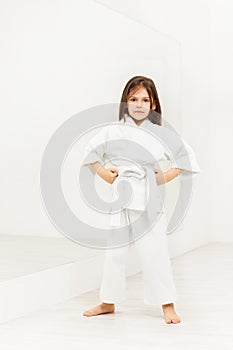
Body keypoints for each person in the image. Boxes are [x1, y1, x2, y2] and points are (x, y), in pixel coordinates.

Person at [81, 76, 201, 324]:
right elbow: (90, 152)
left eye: (144, 99)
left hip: (150, 199)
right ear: (125, 102)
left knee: (155, 251)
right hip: (121, 198)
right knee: (114, 253)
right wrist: (104, 173)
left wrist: (164, 177)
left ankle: (167, 303)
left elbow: (186, 156)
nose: (139, 104)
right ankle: (108, 300)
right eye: (133, 99)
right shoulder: (113, 130)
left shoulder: (160, 134)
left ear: (153, 104)